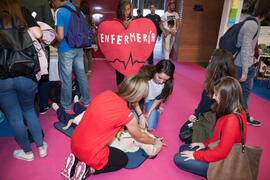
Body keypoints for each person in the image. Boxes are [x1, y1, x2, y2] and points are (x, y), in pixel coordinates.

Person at [61, 75, 165, 180]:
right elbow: (141, 136)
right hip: (90, 152)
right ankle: (88, 169)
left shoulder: (106, 93)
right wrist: (154, 141)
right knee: (123, 159)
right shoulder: (127, 115)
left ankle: (76, 161)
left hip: (74, 144)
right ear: (138, 97)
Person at [0, 0, 48, 162]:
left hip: (3, 77)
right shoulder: (21, 11)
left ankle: (27, 153)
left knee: (14, 117)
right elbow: (39, 34)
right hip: (25, 71)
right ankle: (41, 148)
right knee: (29, 111)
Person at [174, 76, 247, 177]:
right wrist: (204, 144)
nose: (213, 97)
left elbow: (221, 153)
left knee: (178, 158)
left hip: (224, 161)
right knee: (183, 149)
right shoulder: (236, 110)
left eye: (216, 95)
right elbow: (218, 137)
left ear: (226, 97)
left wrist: (196, 155)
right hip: (220, 151)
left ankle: (219, 174)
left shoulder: (232, 120)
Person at [235, 0, 270, 126]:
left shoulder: (256, 23)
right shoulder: (251, 24)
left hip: (248, 65)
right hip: (240, 66)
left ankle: (244, 116)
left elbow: (250, 46)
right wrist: (245, 70)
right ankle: (231, 118)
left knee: (245, 93)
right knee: (234, 92)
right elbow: (245, 49)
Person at [52, 0, 90, 112]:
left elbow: (60, 36)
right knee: (81, 75)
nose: (53, 3)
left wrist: (52, 43)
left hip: (66, 49)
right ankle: (86, 100)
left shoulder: (60, 11)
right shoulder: (78, 10)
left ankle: (67, 105)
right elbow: (86, 30)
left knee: (66, 78)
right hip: (79, 47)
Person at [18, 0, 55, 114]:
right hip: (39, 45)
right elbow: (49, 25)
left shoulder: (12, 3)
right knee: (43, 75)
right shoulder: (42, 2)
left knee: (24, 76)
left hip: (19, 46)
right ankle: (43, 105)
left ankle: (26, 108)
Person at [187, 49, 236, 123]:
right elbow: (203, 105)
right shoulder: (229, 83)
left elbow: (208, 109)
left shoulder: (219, 86)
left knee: (185, 131)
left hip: (212, 122)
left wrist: (197, 117)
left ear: (217, 66)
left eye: (211, 60)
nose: (209, 61)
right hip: (211, 119)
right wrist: (196, 114)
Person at [133, 60, 175, 131]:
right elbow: (134, 98)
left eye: (165, 80)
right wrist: (140, 115)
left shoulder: (168, 83)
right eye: (160, 77)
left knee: (149, 127)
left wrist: (148, 113)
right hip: (139, 99)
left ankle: (157, 111)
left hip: (152, 100)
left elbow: (159, 98)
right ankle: (153, 111)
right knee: (134, 124)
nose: (161, 82)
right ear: (155, 71)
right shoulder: (143, 75)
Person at [114, 0, 133, 86]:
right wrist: (123, 27)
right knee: (119, 74)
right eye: (124, 9)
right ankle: (120, 92)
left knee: (131, 75)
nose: (126, 12)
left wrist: (130, 26)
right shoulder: (115, 21)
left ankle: (130, 92)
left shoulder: (134, 21)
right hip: (119, 53)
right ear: (120, 10)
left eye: (128, 9)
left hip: (131, 53)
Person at [80, 0, 96, 79]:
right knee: (89, 53)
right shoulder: (90, 16)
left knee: (83, 54)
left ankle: (86, 72)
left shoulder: (80, 16)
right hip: (89, 37)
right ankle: (89, 70)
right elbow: (93, 27)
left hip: (83, 37)